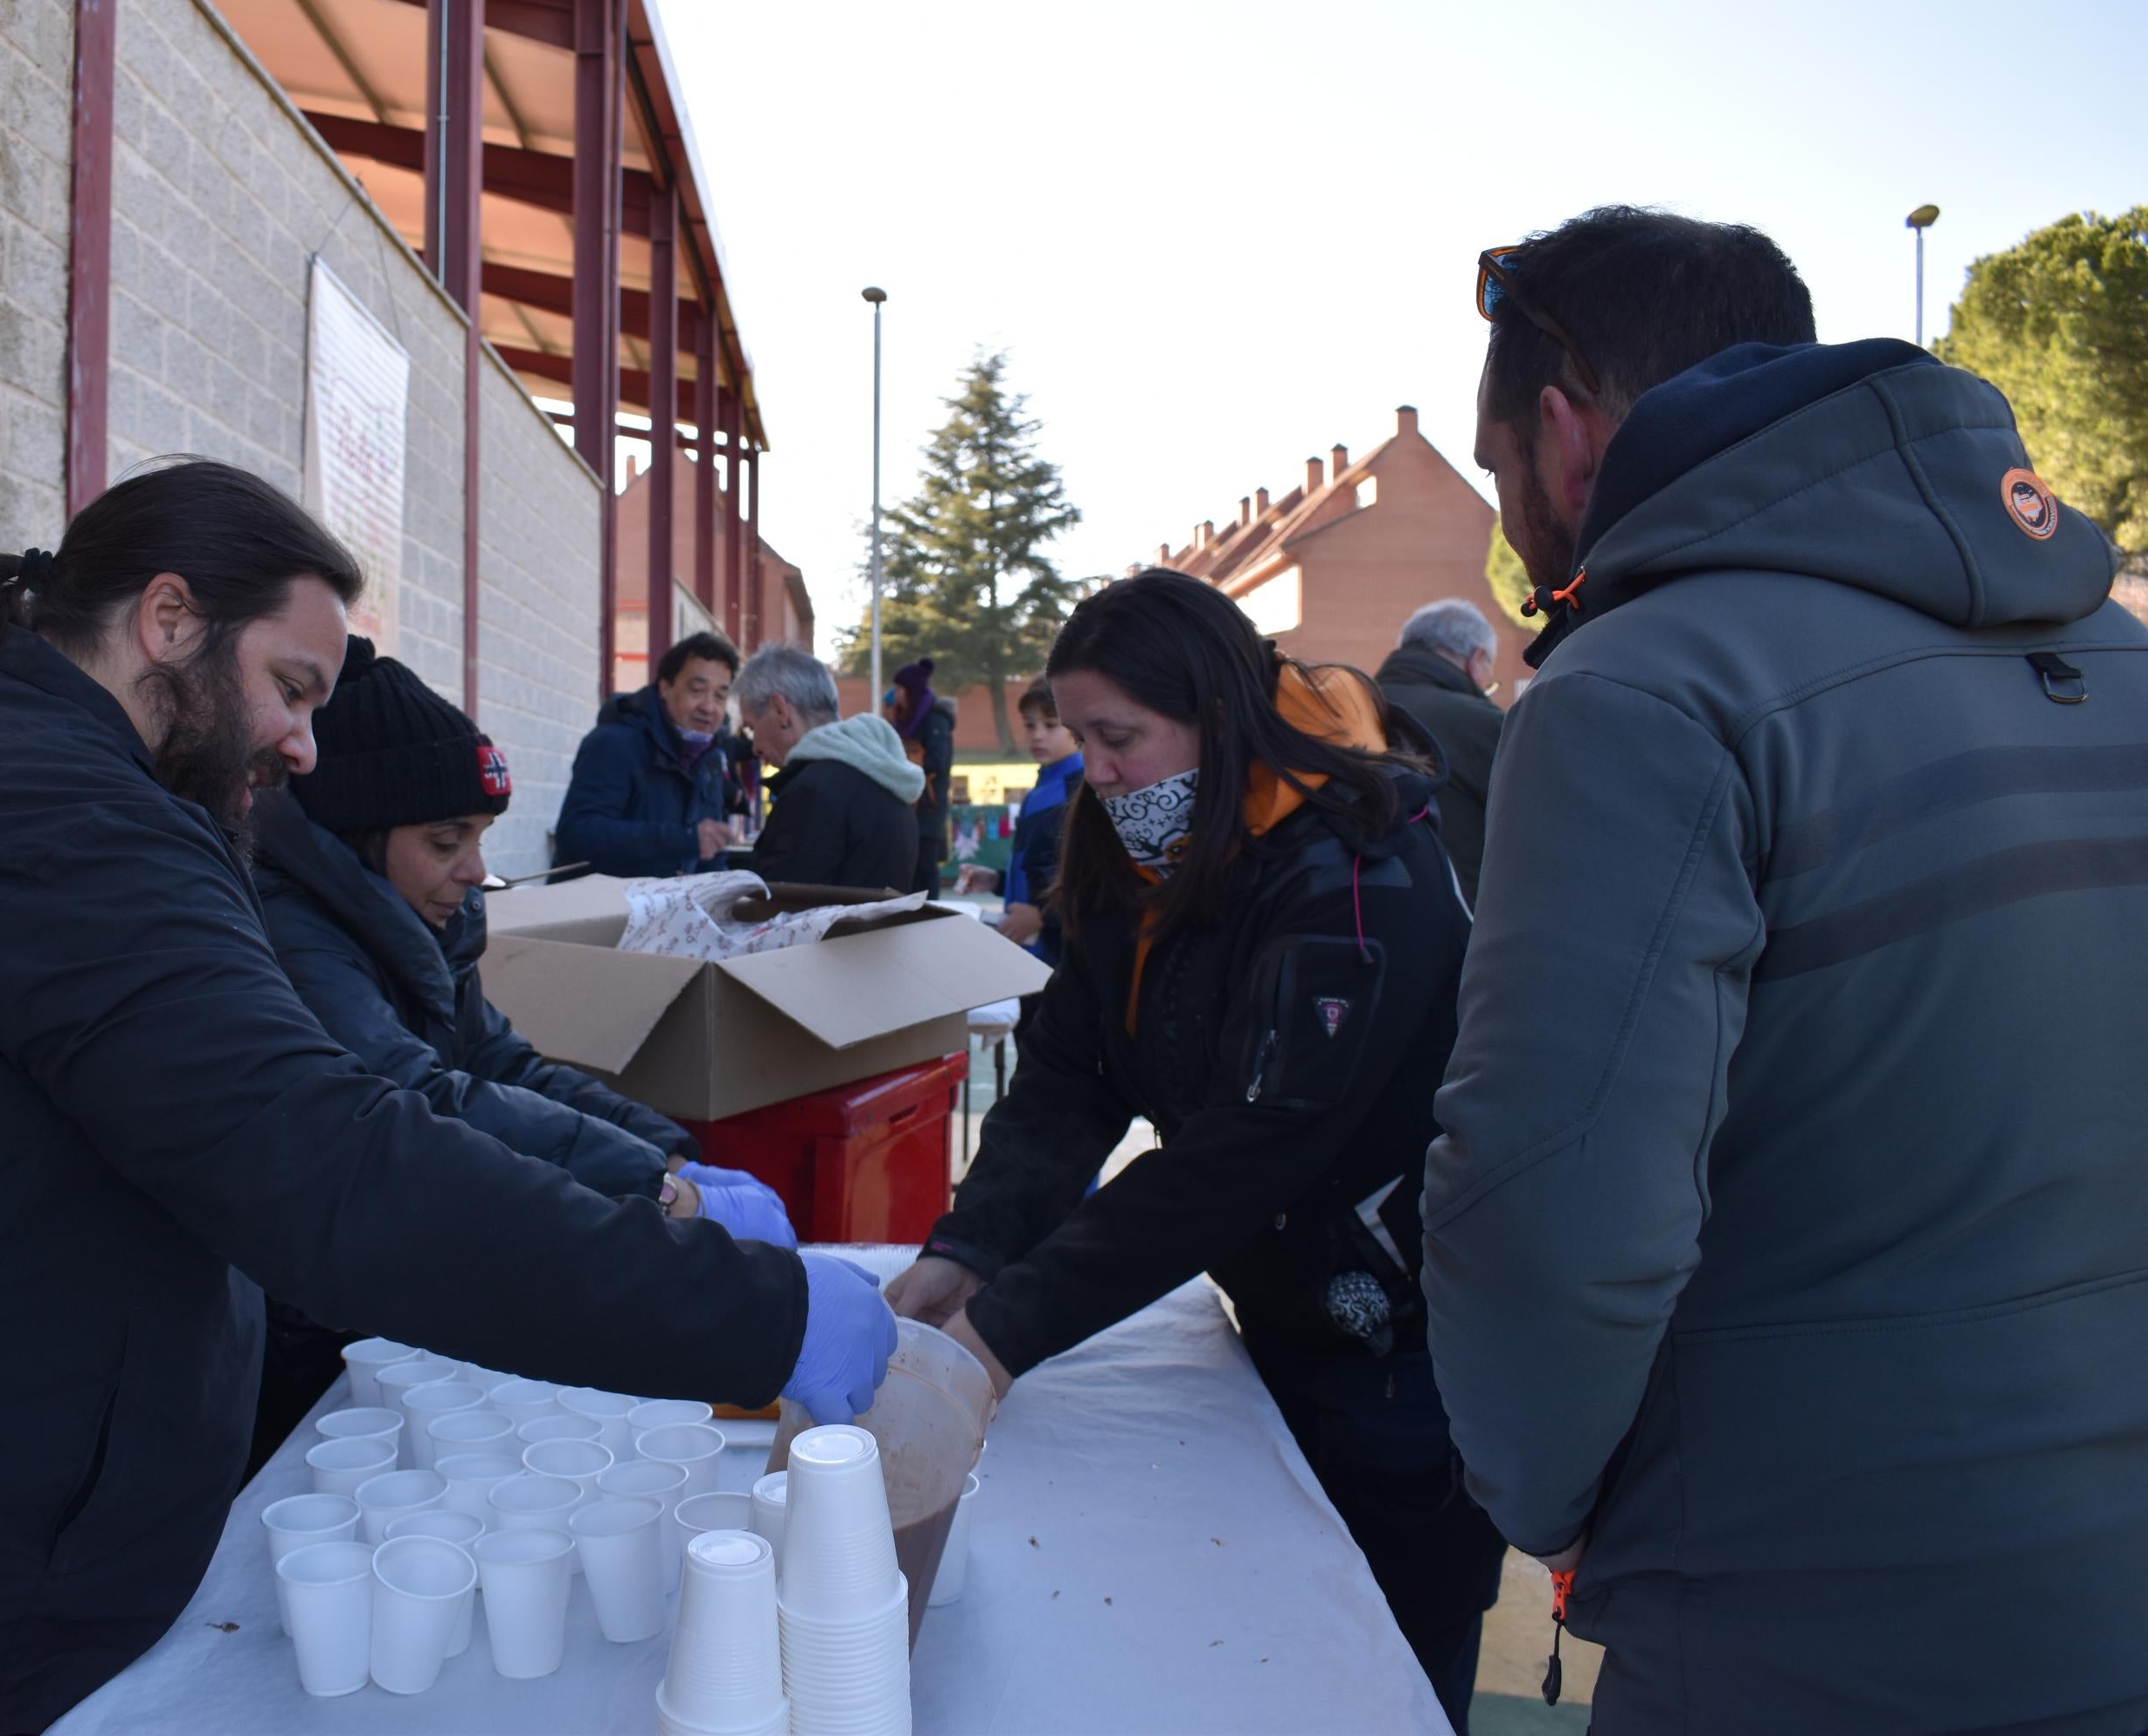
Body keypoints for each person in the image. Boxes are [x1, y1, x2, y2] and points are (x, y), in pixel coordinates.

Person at [0, 460, 897, 1736]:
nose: (306, 747)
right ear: (169, 620)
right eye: (290, 689)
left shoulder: (49, 786)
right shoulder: (45, 815)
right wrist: (749, 1315)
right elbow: (328, 1163)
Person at [1422, 207, 2148, 1733]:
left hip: (1806, 1615)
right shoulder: (2118, 653)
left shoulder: (1643, 687)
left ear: (1563, 435)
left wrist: (1539, 1493)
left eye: (1497, 476)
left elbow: (1551, 1201)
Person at [885, 569, 1506, 1733]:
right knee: (1254, 1650)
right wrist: (967, 1251)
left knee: (1386, 1675)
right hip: (1271, 1311)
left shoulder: (1362, 869)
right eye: (1080, 737)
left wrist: (1002, 1333)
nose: (1096, 768)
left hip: (1404, 1343)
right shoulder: (1136, 842)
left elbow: (1248, 1149)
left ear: (1217, 719)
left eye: (1119, 737)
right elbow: (1071, 1072)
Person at [246, 636, 801, 1466]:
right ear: (358, 836)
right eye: (445, 842)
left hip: (386, 1297)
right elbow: (423, 1095)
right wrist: (649, 1185)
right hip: (296, 1340)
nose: (476, 870)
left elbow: (502, 1063)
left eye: (479, 837)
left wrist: (665, 1147)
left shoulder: (425, 921)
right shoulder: (297, 936)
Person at [732, 643, 923, 891]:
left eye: (751, 728)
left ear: (780, 710)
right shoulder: (883, 776)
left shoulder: (812, 792)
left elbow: (781, 912)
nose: (755, 747)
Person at [556, 631, 740, 878]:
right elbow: (577, 835)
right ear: (665, 687)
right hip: (598, 911)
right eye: (697, 690)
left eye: (720, 696)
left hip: (669, 912)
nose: (709, 707)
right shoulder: (613, 744)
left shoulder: (710, 759)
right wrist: (684, 839)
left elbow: (709, 854)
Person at [1373, 599, 1501, 904]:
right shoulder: (1484, 725)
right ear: (1477, 658)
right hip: (1460, 927)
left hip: (1356, 925)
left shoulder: (1349, 710)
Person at [994, 677, 1082, 961]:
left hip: (1062, 954)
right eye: (1030, 725)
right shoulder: (1042, 787)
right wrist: (997, 881)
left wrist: (1045, 917)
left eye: (1051, 724)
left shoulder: (1083, 790)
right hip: (1031, 951)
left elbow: (1095, 878)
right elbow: (1039, 867)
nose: (1037, 735)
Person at [887, 656, 958, 893]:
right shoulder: (906, 720)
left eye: (900, 689)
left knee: (926, 867)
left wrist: (906, 760)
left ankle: (930, 913)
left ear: (911, 691)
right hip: (908, 804)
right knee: (909, 867)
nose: (896, 694)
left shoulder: (936, 720)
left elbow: (938, 761)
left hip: (928, 807)